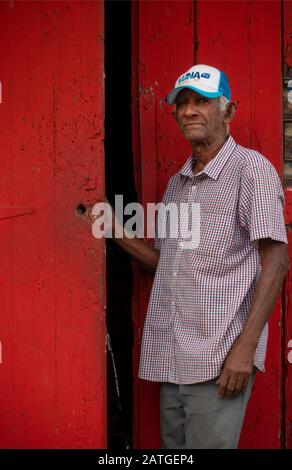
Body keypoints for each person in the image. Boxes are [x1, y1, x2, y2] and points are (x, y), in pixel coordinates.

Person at [104, 64, 289, 449]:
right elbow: (167, 265)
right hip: (173, 361)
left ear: (229, 111)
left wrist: (246, 348)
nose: (188, 111)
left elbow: (276, 259)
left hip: (219, 359)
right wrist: (113, 228)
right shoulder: (178, 183)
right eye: (182, 103)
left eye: (202, 102)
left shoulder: (250, 171)